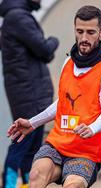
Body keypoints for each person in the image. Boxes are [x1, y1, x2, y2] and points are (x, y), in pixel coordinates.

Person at [6, 5, 101, 188]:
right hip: (57, 144)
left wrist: (92, 128)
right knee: (35, 175)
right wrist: (33, 123)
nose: (84, 38)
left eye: (91, 32)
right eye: (80, 31)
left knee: (72, 186)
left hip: (86, 151)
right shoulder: (68, 62)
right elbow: (63, 102)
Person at [0, 0, 59, 187]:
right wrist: (53, 41)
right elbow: (43, 49)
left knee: (31, 146)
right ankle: (9, 184)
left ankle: (27, 184)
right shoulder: (18, 17)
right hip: (28, 92)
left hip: (30, 91)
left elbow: (41, 52)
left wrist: (46, 51)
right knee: (22, 141)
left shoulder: (16, 16)